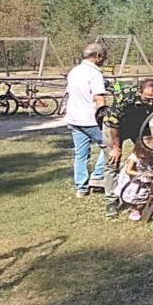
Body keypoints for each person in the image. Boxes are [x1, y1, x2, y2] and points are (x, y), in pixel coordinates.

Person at [101, 78, 153, 218]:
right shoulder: (126, 96)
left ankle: (148, 195)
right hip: (116, 127)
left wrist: (152, 142)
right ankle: (111, 201)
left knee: (150, 159)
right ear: (140, 92)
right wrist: (116, 148)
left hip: (140, 126)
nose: (151, 102)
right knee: (112, 162)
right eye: (147, 99)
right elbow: (113, 123)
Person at [64, 43, 109, 197]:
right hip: (90, 120)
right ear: (98, 56)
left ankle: (81, 188)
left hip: (74, 118)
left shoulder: (74, 71)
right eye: (104, 57)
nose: (104, 61)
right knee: (111, 146)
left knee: (81, 154)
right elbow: (99, 98)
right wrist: (106, 116)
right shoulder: (94, 74)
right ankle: (98, 176)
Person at [115, 139, 153, 221]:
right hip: (133, 178)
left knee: (143, 191)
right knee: (133, 193)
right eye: (146, 155)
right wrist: (140, 174)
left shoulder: (151, 157)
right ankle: (134, 209)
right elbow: (128, 171)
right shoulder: (134, 158)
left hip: (144, 176)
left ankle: (144, 202)